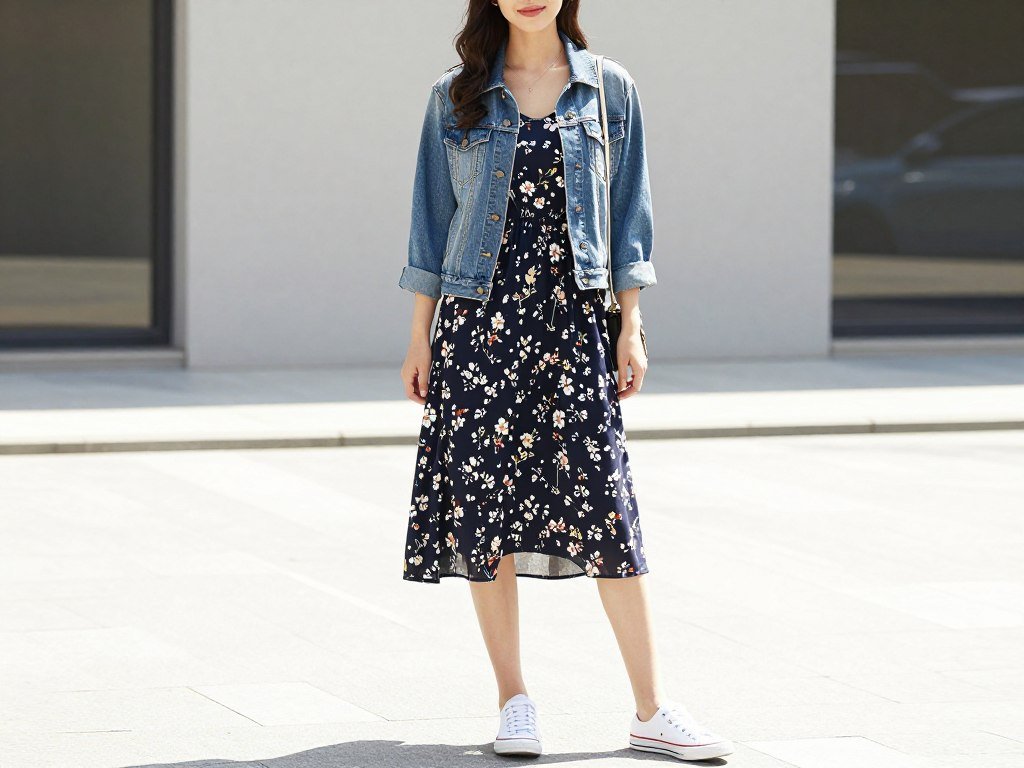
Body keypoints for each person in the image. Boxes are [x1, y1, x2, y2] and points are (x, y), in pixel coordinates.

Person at [398, 0, 734, 761]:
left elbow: (628, 214)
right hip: (480, 326)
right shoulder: (458, 94)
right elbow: (429, 219)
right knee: (487, 517)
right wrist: (419, 338)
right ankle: (514, 701)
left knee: (606, 509)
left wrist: (631, 323)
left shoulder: (608, 91)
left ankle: (651, 708)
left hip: (574, 325)